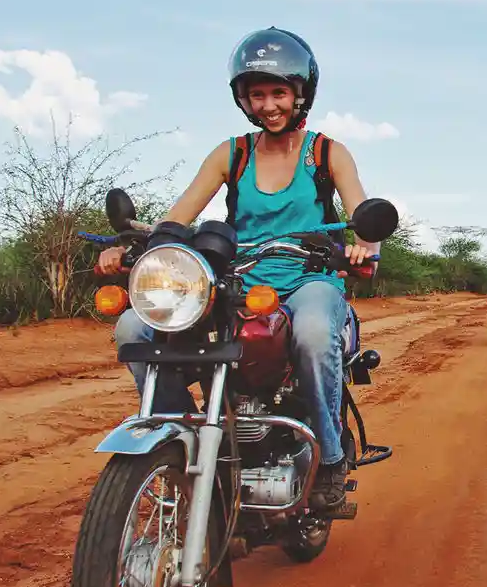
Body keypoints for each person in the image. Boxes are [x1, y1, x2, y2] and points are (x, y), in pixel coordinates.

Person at [95, 26, 379, 512]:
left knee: (311, 331)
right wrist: (134, 246)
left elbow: (362, 214)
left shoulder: (327, 153)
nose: (268, 104)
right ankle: (178, 437)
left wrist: (363, 246)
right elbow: (177, 217)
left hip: (308, 280)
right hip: (236, 284)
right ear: (243, 99)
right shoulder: (232, 153)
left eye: (278, 92)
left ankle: (329, 458)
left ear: (300, 93)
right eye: (257, 94)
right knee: (133, 326)